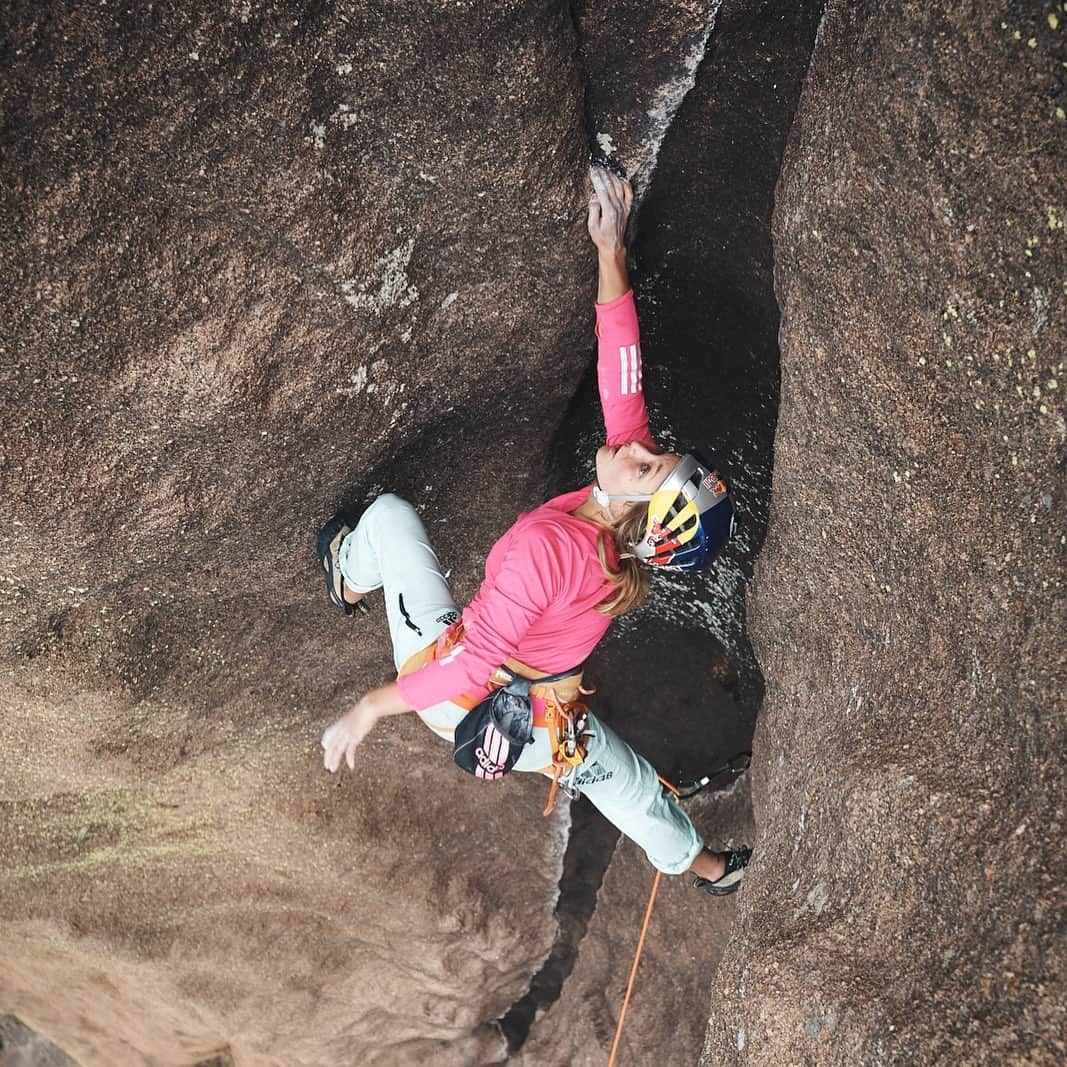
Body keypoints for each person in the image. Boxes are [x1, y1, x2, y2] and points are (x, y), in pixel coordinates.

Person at [317, 165, 751, 895]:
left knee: (388, 518)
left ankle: (347, 573)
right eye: (656, 453)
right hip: (543, 720)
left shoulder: (543, 552)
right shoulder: (622, 530)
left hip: (460, 691)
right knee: (631, 785)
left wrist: (367, 709)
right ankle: (710, 869)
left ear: (635, 508)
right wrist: (610, 247)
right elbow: (624, 374)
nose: (640, 448)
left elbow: (462, 666)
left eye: (647, 467)